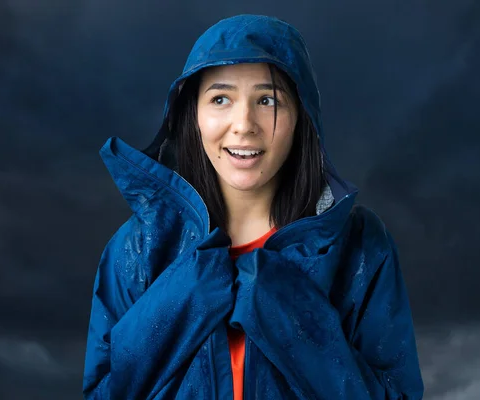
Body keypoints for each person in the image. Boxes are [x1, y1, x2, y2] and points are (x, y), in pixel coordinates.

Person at [82, 14, 424, 400]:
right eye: (220, 99)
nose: (244, 124)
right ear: (192, 115)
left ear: (302, 117)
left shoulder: (361, 246)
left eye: (267, 100)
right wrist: (184, 297)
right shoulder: (138, 248)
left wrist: (286, 312)